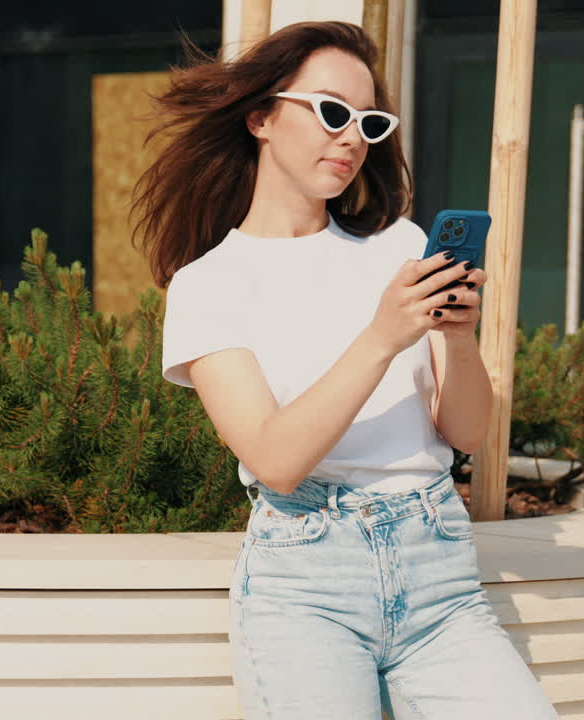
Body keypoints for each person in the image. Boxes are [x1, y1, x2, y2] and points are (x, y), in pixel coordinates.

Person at [136, 22, 558, 719]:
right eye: (332, 112)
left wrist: (456, 339)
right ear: (262, 117)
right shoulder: (209, 284)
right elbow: (275, 459)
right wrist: (382, 337)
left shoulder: (401, 245)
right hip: (307, 586)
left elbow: (467, 433)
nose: (353, 137)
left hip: (439, 578)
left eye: (369, 121)